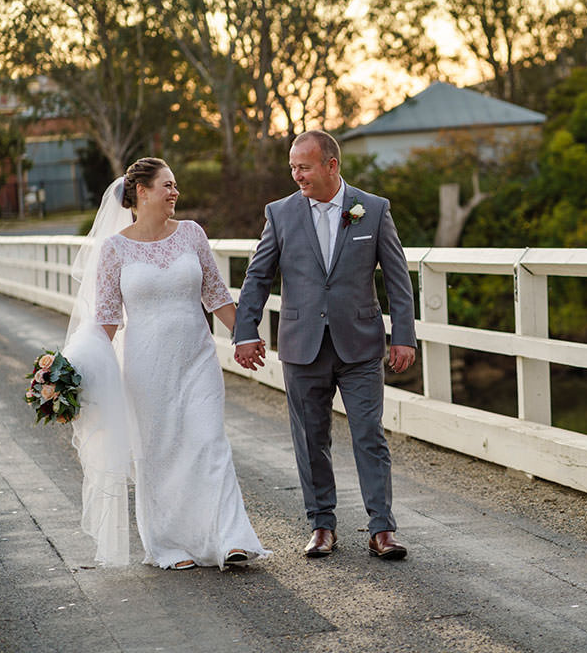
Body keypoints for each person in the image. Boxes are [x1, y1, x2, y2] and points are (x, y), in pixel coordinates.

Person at [66, 157, 269, 570]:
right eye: (167, 185)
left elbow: (216, 294)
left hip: (197, 358)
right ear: (141, 191)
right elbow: (105, 321)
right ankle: (168, 544)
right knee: (159, 453)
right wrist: (71, 373)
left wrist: (244, 336)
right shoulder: (115, 248)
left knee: (210, 442)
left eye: (176, 185)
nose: (175, 192)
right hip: (145, 367)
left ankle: (229, 537)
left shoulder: (192, 234)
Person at [233, 130, 417, 560]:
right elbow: (258, 276)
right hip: (302, 346)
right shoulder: (279, 214)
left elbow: (397, 277)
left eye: (305, 167)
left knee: (369, 435)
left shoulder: (372, 210)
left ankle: (382, 530)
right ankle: (321, 525)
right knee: (310, 438)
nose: (297, 175)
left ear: (331, 165)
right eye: (293, 167)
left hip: (361, 345)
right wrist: (246, 330)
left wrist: (403, 335)